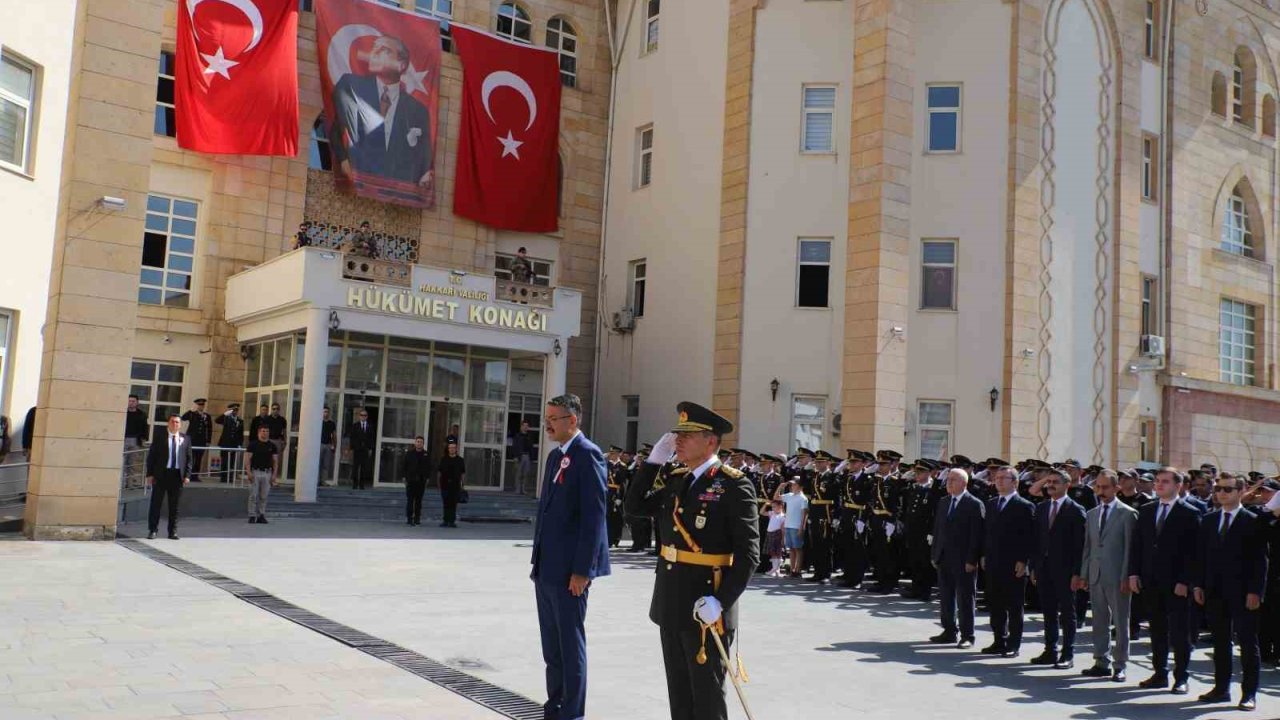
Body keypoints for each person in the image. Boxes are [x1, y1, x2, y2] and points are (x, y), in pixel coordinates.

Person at [624, 402, 759, 720]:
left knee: (707, 699)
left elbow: (749, 554)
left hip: (706, 605)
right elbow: (635, 508)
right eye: (677, 435)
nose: (677, 441)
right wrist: (654, 462)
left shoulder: (734, 484)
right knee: (680, 697)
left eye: (688, 435)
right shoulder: (676, 476)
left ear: (711, 442)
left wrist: (721, 602)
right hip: (671, 601)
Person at [529, 393, 610, 720]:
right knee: (552, 649)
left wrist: (582, 570)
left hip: (570, 573)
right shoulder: (555, 457)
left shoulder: (588, 455)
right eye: (546, 418)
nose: (547, 424)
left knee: (569, 646)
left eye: (554, 418)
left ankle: (572, 714)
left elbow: (594, 518)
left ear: (572, 420)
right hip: (547, 568)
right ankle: (554, 709)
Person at [1193, 473, 1268, 711]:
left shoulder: (1252, 520)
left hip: (1244, 592)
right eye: (1218, 489)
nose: (1221, 493)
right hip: (1215, 591)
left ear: (1241, 491)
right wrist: (1198, 585)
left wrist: (1256, 591)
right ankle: (1221, 689)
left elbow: (1260, 560)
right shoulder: (1209, 519)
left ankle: (1249, 694)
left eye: (1227, 489)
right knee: (1221, 643)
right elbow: (1201, 556)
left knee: (1247, 643)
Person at [1129, 467, 1201, 695]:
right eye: (1158, 481)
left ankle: (1181, 677)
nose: (1159, 485)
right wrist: (1133, 573)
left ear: (1178, 486)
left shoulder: (1190, 512)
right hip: (1151, 580)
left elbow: (1194, 552)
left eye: (1165, 482)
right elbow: (1137, 544)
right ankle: (1160, 673)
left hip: (1177, 584)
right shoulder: (1147, 509)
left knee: (1179, 633)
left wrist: (1185, 580)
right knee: (1157, 629)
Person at [330, 35, 433, 188]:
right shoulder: (352, 86)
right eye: (374, 48)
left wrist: (424, 174)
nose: (374, 53)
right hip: (357, 184)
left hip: (396, 196)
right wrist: (344, 161)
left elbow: (423, 157)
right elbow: (337, 128)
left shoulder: (417, 111)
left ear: (401, 65)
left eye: (384, 50)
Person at [1075, 470, 1138, 682]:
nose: (1101, 491)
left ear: (1116, 488)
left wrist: (1126, 576)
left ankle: (1120, 665)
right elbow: (1088, 546)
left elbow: (1131, 549)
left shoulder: (1127, 513)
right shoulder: (1092, 514)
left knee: (1121, 621)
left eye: (1105, 487)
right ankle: (1101, 661)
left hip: (1118, 576)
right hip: (1095, 574)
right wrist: (1084, 574)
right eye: (1098, 487)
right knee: (1099, 620)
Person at [1030, 469, 1087, 669]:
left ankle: (1067, 654)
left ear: (1067, 485)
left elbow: (1080, 545)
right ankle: (1050, 650)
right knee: (1048, 611)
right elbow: (1037, 540)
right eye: (1049, 481)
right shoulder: (1043, 507)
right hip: (1044, 568)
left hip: (1066, 571)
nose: (1050, 485)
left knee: (1067, 613)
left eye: (1055, 482)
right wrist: (1034, 567)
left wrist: (1077, 573)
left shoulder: (1075, 510)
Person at [982, 465, 1035, 658]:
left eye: (1004, 478)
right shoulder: (991, 504)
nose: (999, 481)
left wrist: (1023, 560)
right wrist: (984, 555)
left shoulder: (1024, 506)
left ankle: (1014, 644)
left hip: (1014, 563)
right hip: (994, 561)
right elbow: (987, 533)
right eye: (997, 478)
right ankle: (999, 640)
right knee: (995, 603)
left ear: (1015, 482)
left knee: (1013, 605)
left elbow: (1028, 537)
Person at [930, 468, 985, 649]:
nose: (949, 482)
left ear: (964, 483)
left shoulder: (974, 504)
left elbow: (977, 536)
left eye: (953, 480)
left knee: (965, 598)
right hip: (944, 557)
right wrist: (935, 554)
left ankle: (967, 635)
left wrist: (972, 559)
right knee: (946, 596)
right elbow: (938, 530)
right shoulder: (944, 502)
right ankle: (949, 630)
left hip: (964, 560)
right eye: (948, 479)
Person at [145, 414, 191, 540]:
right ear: (168, 423)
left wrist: (187, 475)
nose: (175, 424)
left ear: (180, 425)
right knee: (156, 504)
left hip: (177, 476)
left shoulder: (185, 439)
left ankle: (173, 531)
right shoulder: (160, 437)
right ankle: (153, 530)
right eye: (172, 422)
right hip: (161, 474)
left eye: (177, 422)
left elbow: (189, 459)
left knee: (174, 506)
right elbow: (151, 457)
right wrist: (149, 474)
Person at [243, 425, 278, 524]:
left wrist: (274, 475)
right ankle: (252, 515)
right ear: (259, 432)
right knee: (253, 495)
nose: (265, 433)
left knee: (264, 496)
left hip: (267, 473)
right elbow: (247, 460)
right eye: (263, 431)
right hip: (255, 472)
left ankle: (261, 515)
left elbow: (275, 461)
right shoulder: (252, 445)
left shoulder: (272, 446)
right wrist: (248, 472)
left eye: (267, 431)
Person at [780, 479, 808, 578]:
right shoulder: (789, 495)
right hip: (788, 525)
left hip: (796, 526)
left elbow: (804, 514)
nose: (792, 486)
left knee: (798, 549)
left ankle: (798, 570)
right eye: (792, 485)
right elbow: (776, 498)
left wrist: (802, 528)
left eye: (794, 485)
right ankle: (792, 570)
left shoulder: (803, 498)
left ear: (800, 487)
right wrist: (780, 487)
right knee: (791, 549)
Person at [181, 398, 212, 481]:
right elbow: (183, 418)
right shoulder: (192, 414)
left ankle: (195, 476)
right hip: (192, 440)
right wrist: (191, 410)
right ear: (197, 406)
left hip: (201, 441)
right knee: (190, 458)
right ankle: (187, 475)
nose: (201, 407)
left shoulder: (207, 416)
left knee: (198, 459)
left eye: (202, 405)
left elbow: (209, 429)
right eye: (199, 405)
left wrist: (208, 440)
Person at [403, 435, 431, 526]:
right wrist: (404, 477)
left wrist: (427, 478)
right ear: (415, 443)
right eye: (418, 441)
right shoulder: (409, 454)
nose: (419, 443)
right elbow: (404, 466)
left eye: (421, 442)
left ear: (423, 444)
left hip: (421, 481)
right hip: (411, 480)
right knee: (410, 500)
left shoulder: (426, 454)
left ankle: (417, 518)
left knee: (419, 501)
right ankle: (409, 518)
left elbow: (429, 468)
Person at [437, 440, 465, 527]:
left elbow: (463, 473)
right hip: (445, 484)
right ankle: (445, 520)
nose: (452, 449)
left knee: (453, 504)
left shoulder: (460, 460)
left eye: (453, 448)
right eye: (450, 448)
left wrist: (463, 484)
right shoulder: (444, 459)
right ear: (448, 449)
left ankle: (452, 521)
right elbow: (439, 472)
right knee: (446, 503)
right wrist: (438, 483)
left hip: (455, 485)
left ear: (456, 449)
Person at [214, 403, 244, 483]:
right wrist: (224, 414)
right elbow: (217, 420)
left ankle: (230, 478)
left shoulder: (240, 421)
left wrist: (240, 444)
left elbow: (240, 434)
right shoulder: (226, 418)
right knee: (224, 461)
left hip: (234, 444)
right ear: (230, 411)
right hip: (225, 443)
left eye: (236, 410)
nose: (235, 412)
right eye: (233, 410)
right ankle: (223, 478)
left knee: (232, 462)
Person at [605, 445, 627, 547]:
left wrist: (619, 497)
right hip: (607, 492)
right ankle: (608, 539)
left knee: (617, 518)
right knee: (607, 517)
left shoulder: (622, 466)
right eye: (611, 454)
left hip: (616, 492)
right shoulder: (606, 464)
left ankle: (616, 539)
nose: (612, 456)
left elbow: (622, 483)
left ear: (618, 454)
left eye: (614, 454)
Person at [348, 408, 376, 490]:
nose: (363, 417)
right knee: (355, 467)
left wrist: (370, 448)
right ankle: (355, 483)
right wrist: (352, 448)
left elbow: (372, 438)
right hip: (357, 449)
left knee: (364, 467)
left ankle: (362, 484)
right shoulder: (355, 425)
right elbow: (352, 437)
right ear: (359, 416)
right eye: (361, 415)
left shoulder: (370, 426)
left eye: (365, 415)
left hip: (365, 449)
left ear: (367, 417)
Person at [124, 395, 149, 480]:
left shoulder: (142, 414)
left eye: (133, 401)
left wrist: (144, 438)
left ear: (137, 402)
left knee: (133, 463)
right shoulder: (123, 413)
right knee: (122, 462)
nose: (131, 403)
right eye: (129, 401)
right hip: (123, 439)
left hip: (135, 440)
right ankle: (120, 484)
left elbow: (145, 427)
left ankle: (130, 484)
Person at [763, 498, 786, 577]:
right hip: (770, 533)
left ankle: (776, 569)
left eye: (774, 506)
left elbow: (783, 529)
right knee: (773, 553)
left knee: (778, 553)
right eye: (772, 507)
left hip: (777, 534)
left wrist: (783, 539)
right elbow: (761, 512)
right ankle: (774, 569)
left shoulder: (783, 516)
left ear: (780, 506)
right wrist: (765, 505)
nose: (773, 508)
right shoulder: (772, 513)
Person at [512, 420, 536, 494]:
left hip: (527, 456)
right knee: (518, 473)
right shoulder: (517, 436)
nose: (525, 427)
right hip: (520, 456)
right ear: (521, 427)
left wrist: (532, 457)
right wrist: (515, 456)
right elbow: (514, 447)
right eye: (524, 425)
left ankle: (524, 489)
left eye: (527, 426)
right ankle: (518, 489)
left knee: (526, 473)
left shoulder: (529, 436)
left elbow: (531, 447)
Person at [320, 406, 336, 486]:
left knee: (326, 464)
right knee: (318, 463)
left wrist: (334, 445)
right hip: (320, 444)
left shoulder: (331, 423)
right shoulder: (319, 422)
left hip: (328, 445)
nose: (326, 413)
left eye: (327, 411)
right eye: (324, 411)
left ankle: (323, 481)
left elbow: (333, 435)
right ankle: (316, 480)